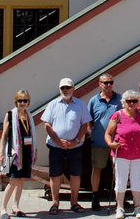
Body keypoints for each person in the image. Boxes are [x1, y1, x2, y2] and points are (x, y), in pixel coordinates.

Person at [41, 78, 92, 215]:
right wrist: (57, 141)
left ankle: (74, 202)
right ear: (59, 89)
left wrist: (75, 140)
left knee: (75, 175)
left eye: (68, 87)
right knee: (55, 175)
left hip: (75, 146)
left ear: (73, 89)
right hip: (55, 146)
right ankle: (55, 203)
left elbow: (84, 125)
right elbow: (47, 124)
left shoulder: (81, 104)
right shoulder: (52, 104)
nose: (65, 90)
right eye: (63, 88)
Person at [105, 90, 140, 219]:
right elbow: (108, 133)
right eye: (128, 101)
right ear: (123, 102)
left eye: (134, 101)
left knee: (136, 181)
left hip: (138, 153)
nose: (131, 103)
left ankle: (138, 207)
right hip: (121, 153)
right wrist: (111, 144)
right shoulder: (117, 115)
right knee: (121, 181)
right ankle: (119, 208)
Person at [0, 90, 36, 219]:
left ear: (28, 102)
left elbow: (32, 135)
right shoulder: (10, 115)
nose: (22, 103)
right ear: (16, 101)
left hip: (27, 152)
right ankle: (2, 209)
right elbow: (4, 135)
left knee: (21, 181)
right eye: (20, 101)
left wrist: (35, 151)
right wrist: (1, 153)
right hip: (15, 154)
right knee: (13, 181)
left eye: (25, 101)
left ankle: (16, 206)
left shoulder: (29, 116)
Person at [87, 73, 122, 211]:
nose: (108, 85)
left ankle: (120, 197)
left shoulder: (119, 99)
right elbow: (89, 121)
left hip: (117, 143)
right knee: (97, 170)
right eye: (105, 82)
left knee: (118, 170)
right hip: (99, 143)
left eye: (110, 82)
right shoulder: (93, 101)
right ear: (99, 84)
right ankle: (95, 197)